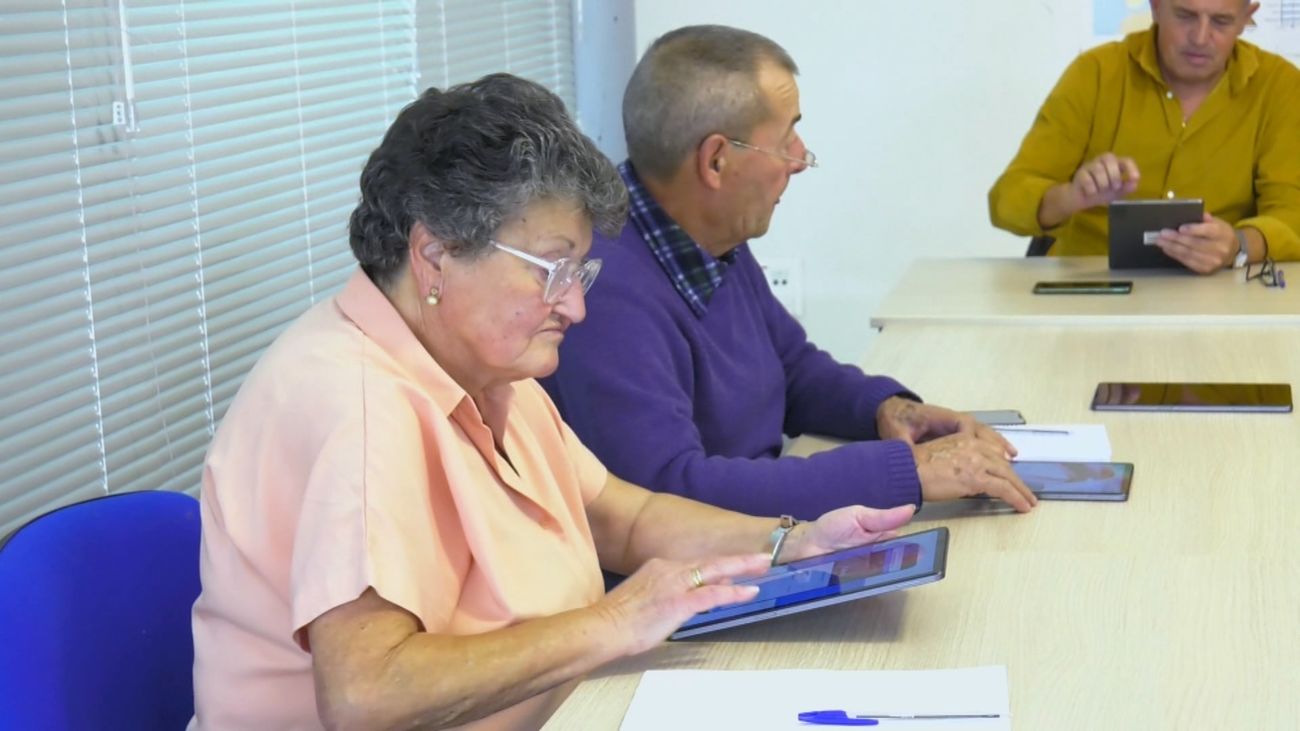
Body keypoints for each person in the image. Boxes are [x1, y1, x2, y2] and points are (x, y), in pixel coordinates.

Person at [187, 74, 919, 731]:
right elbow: (367, 692)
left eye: (581, 270)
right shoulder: (360, 405)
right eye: (551, 270)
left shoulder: (484, 368)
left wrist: (790, 545)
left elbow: (622, 519)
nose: (574, 305)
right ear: (433, 255)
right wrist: (615, 619)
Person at [540, 25, 1037, 520]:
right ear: (715, 161)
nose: (800, 159)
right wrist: (902, 471)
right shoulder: (603, 293)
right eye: (784, 141)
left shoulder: (707, 233)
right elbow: (670, 494)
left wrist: (885, 409)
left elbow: (791, 369)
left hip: (760, 540)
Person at [988, 0, 1300, 271]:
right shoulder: (1095, 73)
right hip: (1090, 290)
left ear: (1247, 17)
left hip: (1216, 292)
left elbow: (1292, 215)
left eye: (1221, 21)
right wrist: (1070, 196)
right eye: (1185, 15)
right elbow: (1006, 199)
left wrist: (1239, 245)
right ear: (1155, 6)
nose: (1201, 37)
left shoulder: (1280, 87)